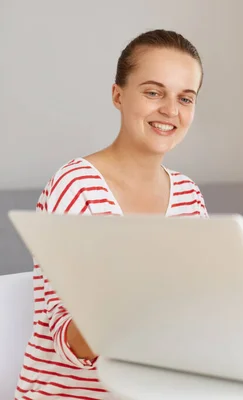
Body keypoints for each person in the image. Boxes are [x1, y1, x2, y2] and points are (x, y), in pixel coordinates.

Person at [16, 29, 207, 399]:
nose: (170, 110)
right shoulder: (76, 187)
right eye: (153, 92)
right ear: (118, 95)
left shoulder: (188, 194)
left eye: (185, 98)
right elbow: (69, 340)